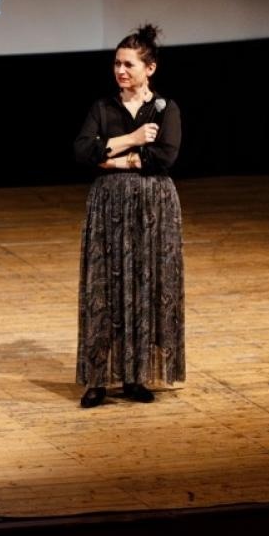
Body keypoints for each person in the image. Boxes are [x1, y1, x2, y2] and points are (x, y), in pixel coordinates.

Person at [73, 24, 184, 409]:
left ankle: (136, 376)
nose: (120, 70)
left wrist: (111, 157)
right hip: (108, 207)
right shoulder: (102, 108)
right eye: (117, 64)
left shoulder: (166, 109)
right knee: (103, 290)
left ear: (149, 68)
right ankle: (97, 380)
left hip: (153, 209)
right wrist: (133, 141)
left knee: (145, 286)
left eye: (129, 65)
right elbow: (83, 152)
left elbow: (164, 157)